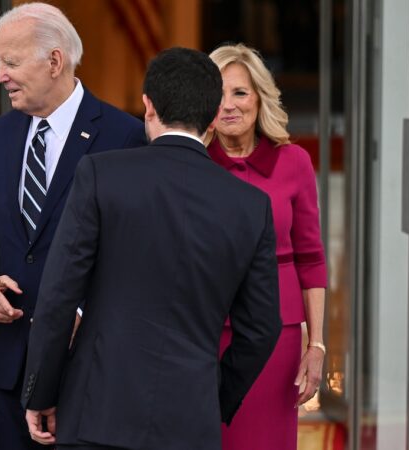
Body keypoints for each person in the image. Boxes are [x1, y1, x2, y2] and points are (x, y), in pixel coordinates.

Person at [21, 47, 282, 450]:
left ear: (148, 106)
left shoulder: (101, 175)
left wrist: (40, 394)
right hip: (190, 421)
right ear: (214, 116)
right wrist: (212, 401)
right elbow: (262, 330)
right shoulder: (250, 206)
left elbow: (58, 299)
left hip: (96, 414)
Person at [0, 3, 146, 448]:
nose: (0, 75)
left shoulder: (123, 136)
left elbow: (131, 255)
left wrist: (79, 312)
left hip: (85, 366)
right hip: (7, 367)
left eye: (11, 62)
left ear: (55, 61)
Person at [204, 43, 328, 450]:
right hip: (201, 331)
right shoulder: (193, 163)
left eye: (239, 92)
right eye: (218, 94)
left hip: (276, 338)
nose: (229, 105)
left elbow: (311, 258)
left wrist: (318, 345)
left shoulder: (293, 161)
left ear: (259, 96)